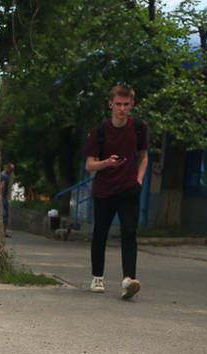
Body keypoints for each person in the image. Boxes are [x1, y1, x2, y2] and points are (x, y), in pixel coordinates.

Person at [84, 85, 148, 299]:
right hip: (104, 190)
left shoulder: (139, 127)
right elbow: (89, 165)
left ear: (132, 105)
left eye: (126, 105)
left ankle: (128, 280)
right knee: (100, 234)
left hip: (129, 189)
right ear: (110, 104)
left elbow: (144, 156)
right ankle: (97, 277)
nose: (122, 108)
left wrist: (138, 180)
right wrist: (107, 163)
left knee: (129, 233)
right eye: (118, 104)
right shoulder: (100, 131)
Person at [0, 163, 14, 237]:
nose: (12, 171)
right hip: (3, 197)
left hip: (2, 196)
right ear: (8, 168)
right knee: (5, 215)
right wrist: (2, 197)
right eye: (11, 170)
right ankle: (3, 232)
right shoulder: (5, 176)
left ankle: (2, 232)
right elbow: (2, 186)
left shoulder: (0, 174)